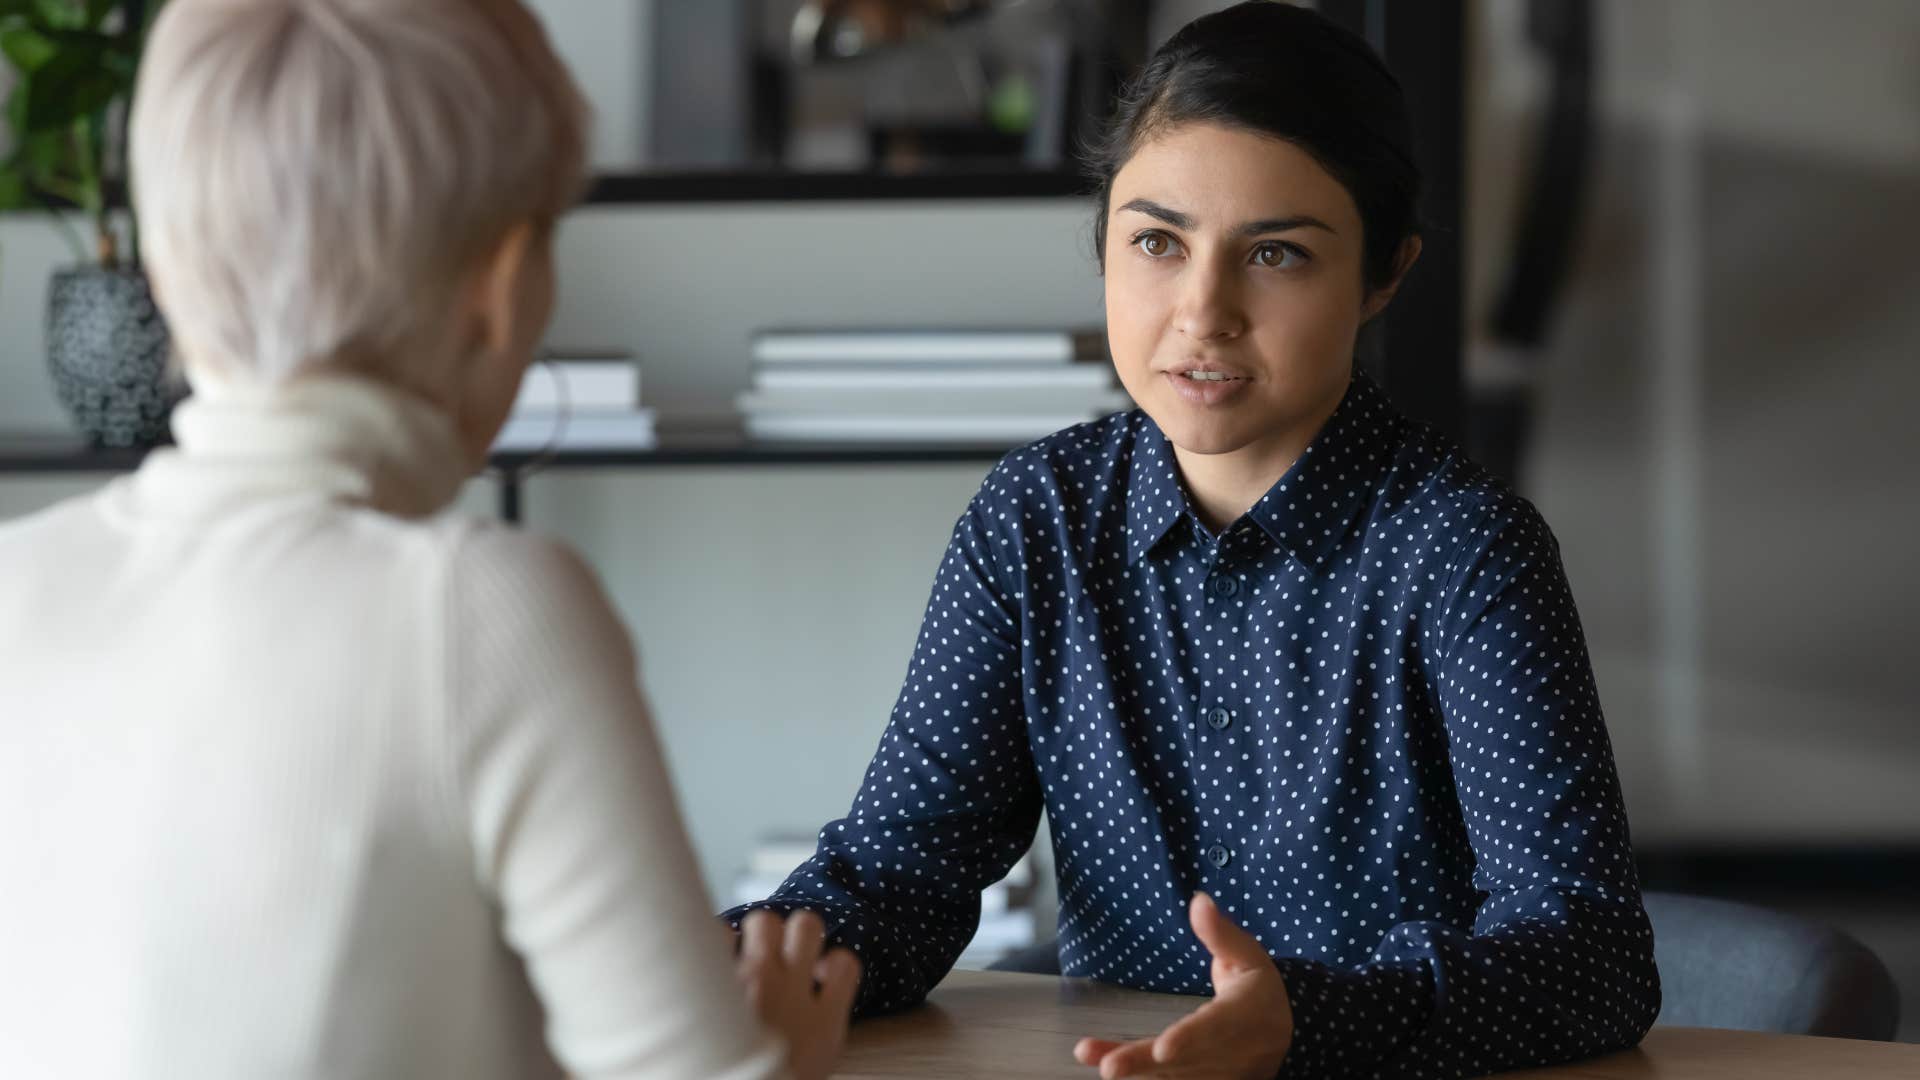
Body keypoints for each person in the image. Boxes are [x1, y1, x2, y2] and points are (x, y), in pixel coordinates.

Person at [725, 4, 1661, 1077]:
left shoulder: (1463, 551)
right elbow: (894, 885)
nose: (1202, 313)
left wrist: (1304, 1023)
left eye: (1276, 255)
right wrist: (709, 965)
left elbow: (1592, 962)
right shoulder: (1035, 523)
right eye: (1158, 243)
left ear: (1384, 274)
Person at [0, 1, 856, 1077]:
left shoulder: (14, 582)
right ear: (503, 289)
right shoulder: (482, 606)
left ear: (165, 273)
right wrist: (787, 1049)